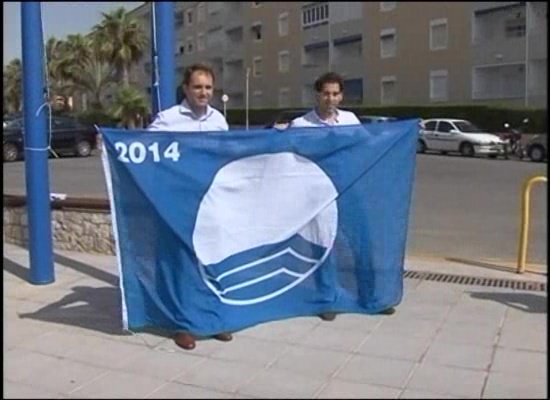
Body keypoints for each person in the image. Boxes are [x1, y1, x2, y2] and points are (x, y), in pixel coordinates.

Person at [290, 72, 395, 321]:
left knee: (362, 242)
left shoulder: (350, 120)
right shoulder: (301, 125)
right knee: (324, 245)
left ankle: (371, 297)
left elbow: (368, 146)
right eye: (326, 93)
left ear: (341, 96)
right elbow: (290, 159)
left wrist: (396, 135)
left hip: (349, 190)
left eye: (335, 93)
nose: (330, 98)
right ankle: (326, 299)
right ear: (317, 95)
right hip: (318, 196)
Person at [147, 63, 231, 350]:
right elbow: (147, 153)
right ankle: (182, 324)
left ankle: (213, 319)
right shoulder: (167, 120)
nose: (203, 92)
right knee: (181, 263)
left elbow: (227, 156)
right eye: (198, 87)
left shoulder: (219, 120)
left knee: (211, 259)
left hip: (210, 200)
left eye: (208, 87)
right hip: (177, 203)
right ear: (186, 89)